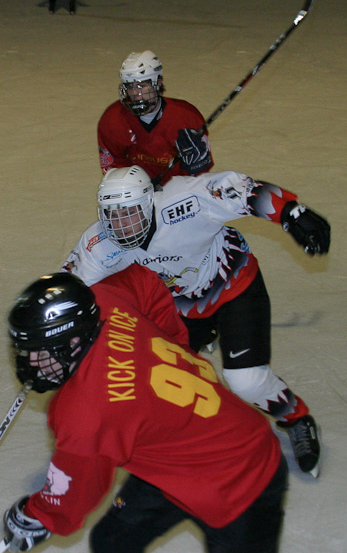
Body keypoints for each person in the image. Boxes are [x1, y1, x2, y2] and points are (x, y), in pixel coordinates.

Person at [1, 267, 347, 553]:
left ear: (73, 339)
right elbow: (143, 281)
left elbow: (76, 493)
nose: (30, 362)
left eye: (39, 352)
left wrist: (37, 515)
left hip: (242, 475)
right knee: (114, 544)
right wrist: (175, 345)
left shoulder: (86, 411)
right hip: (179, 458)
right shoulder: (104, 301)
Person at [62, 165, 331, 476]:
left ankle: (296, 417)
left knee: (246, 381)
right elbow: (70, 291)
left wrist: (291, 213)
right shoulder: (99, 244)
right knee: (156, 381)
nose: (122, 226)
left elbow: (242, 191)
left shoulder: (184, 201)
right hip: (183, 309)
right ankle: (192, 439)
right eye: (113, 215)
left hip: (233, 285)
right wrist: (50, 332)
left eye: (130, 212)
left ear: (150, 202)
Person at [98, 50, 215, 185]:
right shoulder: (113, 119)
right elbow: (114, 167)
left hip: (181, 188)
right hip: (137, 190)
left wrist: (197, 166)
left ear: (158, 82)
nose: (136, 93)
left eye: (142, 86)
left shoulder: (186, 117)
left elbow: (201, 173)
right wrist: (135, 186)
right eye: (130, 87)